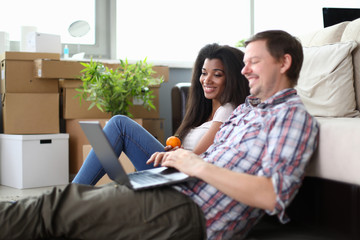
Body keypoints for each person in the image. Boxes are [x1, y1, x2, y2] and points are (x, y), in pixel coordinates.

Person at [0, 30, 319, 240]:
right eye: (244, 62)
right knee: (60, 204)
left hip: (189, 212)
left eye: (254, 62)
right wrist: (178, 163)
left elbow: (272, 195)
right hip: (174, 190)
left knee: (54, 209)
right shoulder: (250, 111)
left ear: (284, 63)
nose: (245, 69)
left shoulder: (291, 117)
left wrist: (195, 165)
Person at [72, 43, 250, 185]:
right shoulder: (205, 112)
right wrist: (174, 152)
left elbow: (196, 159)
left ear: (232, 78)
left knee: (120, 124)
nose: (206, 80)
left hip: (185, 178)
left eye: (217, 75)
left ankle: (71, 194)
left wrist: (176, 155)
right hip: (175, 171)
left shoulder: (227, 110)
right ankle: (73, 194)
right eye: (204, 73)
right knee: (118, 125)